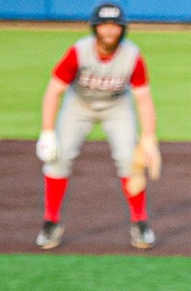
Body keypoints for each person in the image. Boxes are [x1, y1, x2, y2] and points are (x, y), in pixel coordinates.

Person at [35, 3, 160, 251]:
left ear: (122, 29)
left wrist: (149, 138)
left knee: (128, 159)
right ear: (96, 27)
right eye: (104, 25)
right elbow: (54, 91)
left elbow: (143, 98)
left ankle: (140, 222)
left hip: (117, 105)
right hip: (79, 104)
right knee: (58, 158)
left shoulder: (132, 56)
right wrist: (47, 131)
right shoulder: (79, 52)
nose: (110, 31)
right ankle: (51, 221)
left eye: (115, 25)